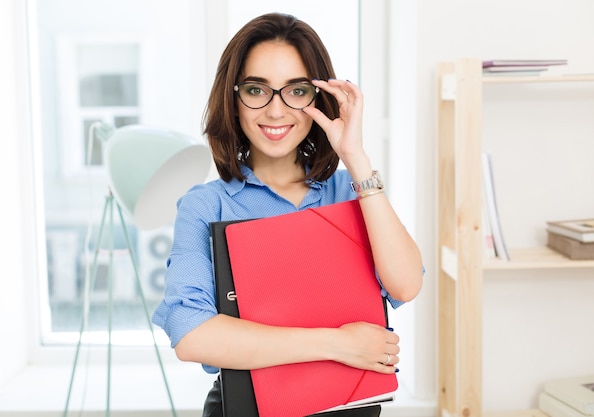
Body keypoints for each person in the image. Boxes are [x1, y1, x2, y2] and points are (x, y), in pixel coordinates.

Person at [152, 12, 423, 417]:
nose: (276, 111)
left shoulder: (350, 190)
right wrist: (338, 344)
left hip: (353, 407)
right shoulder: (207, 205)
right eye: (257, 89)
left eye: (296, 91)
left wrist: (356, 157)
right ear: (234, 97)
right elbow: (192, 334)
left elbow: (404, 284)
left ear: (317, 99)